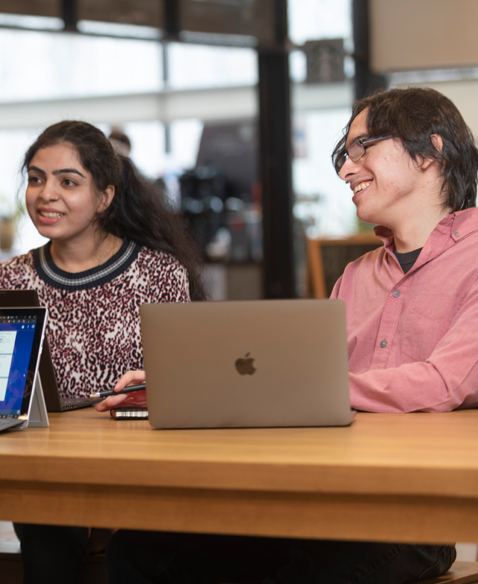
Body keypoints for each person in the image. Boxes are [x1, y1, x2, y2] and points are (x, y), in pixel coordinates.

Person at [98, 86, 477, 583]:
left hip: (411, 517)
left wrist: (302, 387)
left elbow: (444, 383)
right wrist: (183, 382)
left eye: (364, 147)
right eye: (346, 155)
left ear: (431, 151)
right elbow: (302, 374)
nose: (346, 169)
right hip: (322, 497)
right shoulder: (357, 276)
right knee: (140, 550)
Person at [0, 120, 205, 583]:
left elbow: (186, 390)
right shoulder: (5, 281)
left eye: (68, 181)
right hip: (43, 474)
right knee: (47, 529)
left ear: (105, 196)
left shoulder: (159, 274)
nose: (46, 194)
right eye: (36, 179)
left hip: (141, 470)